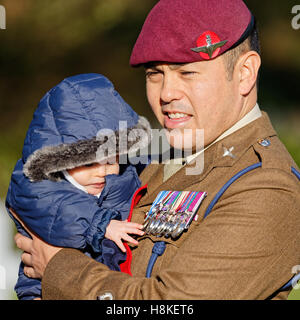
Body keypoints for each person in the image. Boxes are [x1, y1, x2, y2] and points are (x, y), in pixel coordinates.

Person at [13, 0, 300, 300]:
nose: (166, 94)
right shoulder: (147, 159)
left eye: (187, 73)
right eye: (155, 74)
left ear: (244, 73)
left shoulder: (268, 187)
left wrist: (58, 268)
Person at [6, 73, 151, 299]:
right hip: (43, 285)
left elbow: (146, 166)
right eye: (87, 162)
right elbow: (58, 207)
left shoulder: (124, 173)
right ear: (61, 160)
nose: (101, 171)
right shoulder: (37, 184)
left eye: (110, 159)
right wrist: (101, 224)